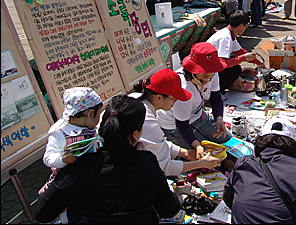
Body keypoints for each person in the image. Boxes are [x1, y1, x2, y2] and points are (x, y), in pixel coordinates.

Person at [35, 94, 182, 224]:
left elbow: (42, 214)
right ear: (136, 134)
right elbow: (168, 209)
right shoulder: (147, 163)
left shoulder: (76, 165)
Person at [131, 68, 224, 177]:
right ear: (159, 97)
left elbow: (158, 143)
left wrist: (185, 153)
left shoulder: (136, 99)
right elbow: (165, 168)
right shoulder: (149, 123)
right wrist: (200, 164)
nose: (176, 101)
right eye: (174, 98)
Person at [38, 87, 103, 223]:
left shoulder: (90, 127)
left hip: (88, 177)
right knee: (68, 210)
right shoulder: (60, 133)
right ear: (90, 114)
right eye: (98, 114)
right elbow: (48, 158)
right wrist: (62, 159)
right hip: (68, 181)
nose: (99, 118)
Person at [158, 43, 232, 154]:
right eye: (203, 69)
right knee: (210, 156)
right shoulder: (183, 88)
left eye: (211, 69)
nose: (208, 73)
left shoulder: (212, 74)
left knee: (228, 140)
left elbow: (216, 98)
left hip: (198, 116)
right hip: (174, 125)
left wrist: (219, 119)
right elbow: (182, 127)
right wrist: (197, 145)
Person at [207, 10, 265, 92]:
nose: (245, 29)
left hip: (213, 65)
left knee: (236, 66)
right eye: (246, 27)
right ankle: (217, 90)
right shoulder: (225, 37)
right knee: (236, 69)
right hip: (208, 70)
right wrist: (243, 58)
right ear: (241, 26)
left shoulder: (230, 34)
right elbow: (223, 63)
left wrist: (258, 62)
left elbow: (240, 51)